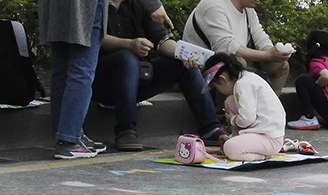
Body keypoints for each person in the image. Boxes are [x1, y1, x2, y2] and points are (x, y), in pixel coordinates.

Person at [94, 0, 222, 151]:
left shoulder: (138, 4)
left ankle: (211, 128)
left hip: (136, 78)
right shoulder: (93, 4)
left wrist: (185, 55)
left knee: (182, 64)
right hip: (100, 79)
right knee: (127, 58)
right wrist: (128, 44)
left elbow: (161, 39)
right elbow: (91, 37)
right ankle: (125, 131)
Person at [41, 0, 108, 159]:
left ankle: (70, 135)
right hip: (85, 7)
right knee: (81, 71)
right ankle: (69, 139)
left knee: (61, 71)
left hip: (56, 6)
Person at [183, 0, 291, 95]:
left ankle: (267, 110)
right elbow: (225, 47)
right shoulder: (213, 5)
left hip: (233, 62)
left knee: (280, 65)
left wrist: (275, 53)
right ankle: (224, 112)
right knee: (236, 64)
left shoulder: (249, 12)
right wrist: (268, 55)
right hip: (204, 70)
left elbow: (260, 38)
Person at [205, 53, 286, 161]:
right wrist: (231, 137)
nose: (218, 90)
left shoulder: (243, 84)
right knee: (230, 102)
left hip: (269, 138)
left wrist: (232, 119)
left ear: (223, 79)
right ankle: (240, 142)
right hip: (263, 134)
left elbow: (247, 119)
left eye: (216, 86)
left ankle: (261, 156)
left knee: (230, 148)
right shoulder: (246, 79)